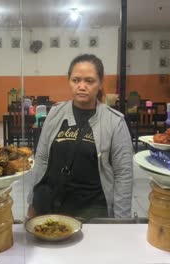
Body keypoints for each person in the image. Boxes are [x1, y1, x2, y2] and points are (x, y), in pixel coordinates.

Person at [27, 54, 133, 220]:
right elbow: (41, 159)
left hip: (91, 209)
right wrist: (32, 203)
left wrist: (121, 221)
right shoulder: (55, 113)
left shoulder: (114, 121)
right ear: (69, 81)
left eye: (89, 81)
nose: (82, 86)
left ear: (100, 84)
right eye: (76, 80)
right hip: (49, 203)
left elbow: (123, 175)